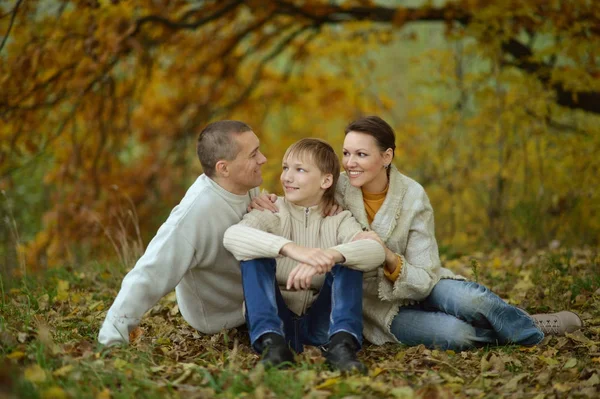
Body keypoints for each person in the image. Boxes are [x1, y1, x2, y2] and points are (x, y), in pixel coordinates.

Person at [252, 116, 582, 350]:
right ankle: (521, 325)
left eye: (362, 154)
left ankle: (531, 327)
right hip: (373, 304)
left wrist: (390, 258)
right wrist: (265, 199)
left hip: (420, 283)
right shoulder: (334, 188)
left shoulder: (412, 196)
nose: (350, 163)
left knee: (475, 299)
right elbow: (298, 195)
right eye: (347, 153)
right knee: (459, 336)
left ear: (387, 157)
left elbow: (424, 275)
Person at [98, 120, 267, 346]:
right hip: (223, 319)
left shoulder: (245, 184)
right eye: (253, 154)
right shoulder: (195, 214)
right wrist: (111, 339)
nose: (263, 159)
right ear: (223, 168)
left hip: (256, 294)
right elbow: (150, 272)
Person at [223, 138, 386, 372]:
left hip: (323, 324)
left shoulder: (339, 219)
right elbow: (232, 236)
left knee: (350, 258)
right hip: (278, 321)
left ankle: (342, 347)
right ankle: (273, 347)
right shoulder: (272, 210)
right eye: (285, 168)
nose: (287, 177)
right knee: (254, 253)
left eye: (299, 170)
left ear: (326, 180)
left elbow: (375, 250)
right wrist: (291, 249)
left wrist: (331, 255)